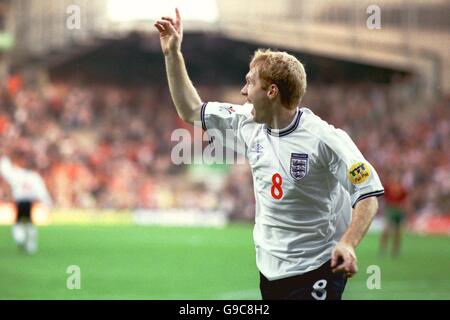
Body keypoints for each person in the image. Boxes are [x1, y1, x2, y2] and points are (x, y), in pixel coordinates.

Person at [155, 9, 384, 300]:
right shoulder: (247, 122)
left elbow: (367, 194)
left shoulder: (324, 139)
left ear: (272, 91)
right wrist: (172, 53)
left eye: (250, 82)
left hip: (317, 268)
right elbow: (190, 110)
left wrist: (349, 244)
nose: (242, 91)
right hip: (270, 272)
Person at [0, 154, 52, 254]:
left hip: (20, 201)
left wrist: (5, 157)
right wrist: (47, 202)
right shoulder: (34, 176)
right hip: (28, 201)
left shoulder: (17, 174)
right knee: (28, 222)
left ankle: (22, 240)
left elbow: (5, 170)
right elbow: (41, 191)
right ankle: (30, 244)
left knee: (20, 222)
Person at [379, 171, 410, 257]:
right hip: (390, 210)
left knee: (398, 233)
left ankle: (395, 251)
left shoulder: (402, 188)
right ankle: (383, 250)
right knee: (386, 231)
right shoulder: (388, 187)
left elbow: (405, 201)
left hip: (398, 211)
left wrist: (406, 211)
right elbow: (383, 198)